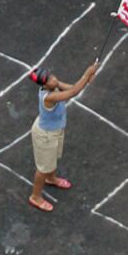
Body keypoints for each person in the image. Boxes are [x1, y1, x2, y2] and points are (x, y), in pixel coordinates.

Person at [27, 61, 97, 212]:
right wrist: (86, 74)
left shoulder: (54, 85)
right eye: (49, 79)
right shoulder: (49, 96)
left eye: (52, 76)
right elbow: (73, 93)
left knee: (52, 159)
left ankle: (50, 178)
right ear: (44, 85)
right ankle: (35, 197)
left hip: (55, 130)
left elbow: (73, 88)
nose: (54, 79)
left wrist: (87, 80)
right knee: (43, 168)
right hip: (46, 135)